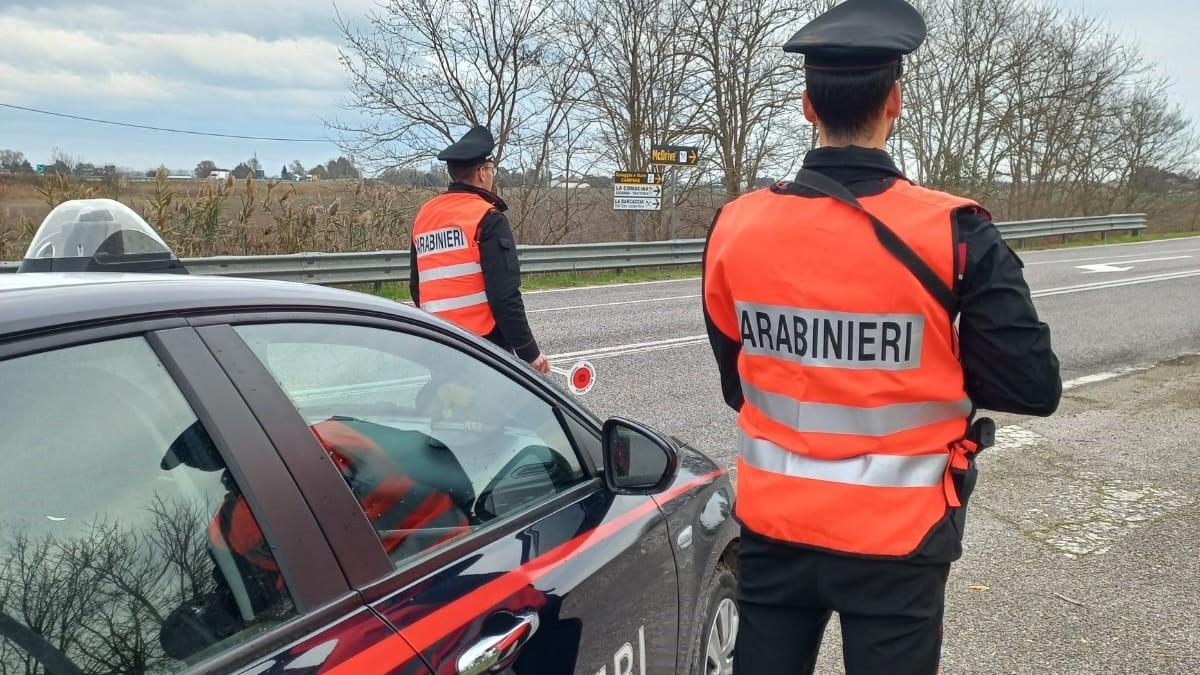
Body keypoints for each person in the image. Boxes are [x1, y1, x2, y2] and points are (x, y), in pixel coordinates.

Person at [700, 1, 1062, 673]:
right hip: (900, 537)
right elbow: (1033, 387)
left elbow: (738, 381)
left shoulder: (734, 225)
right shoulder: (956, 232)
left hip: (775, 527)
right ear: (895, 101)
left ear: (807, 106)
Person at [409, 126, 550, 374]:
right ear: (482, 173)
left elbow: (416, 286)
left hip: (439, 342)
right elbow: (504, 296)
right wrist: (529, 352)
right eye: (491, 169)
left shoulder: (425, 215)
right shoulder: (486, 217)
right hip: (482, 346)